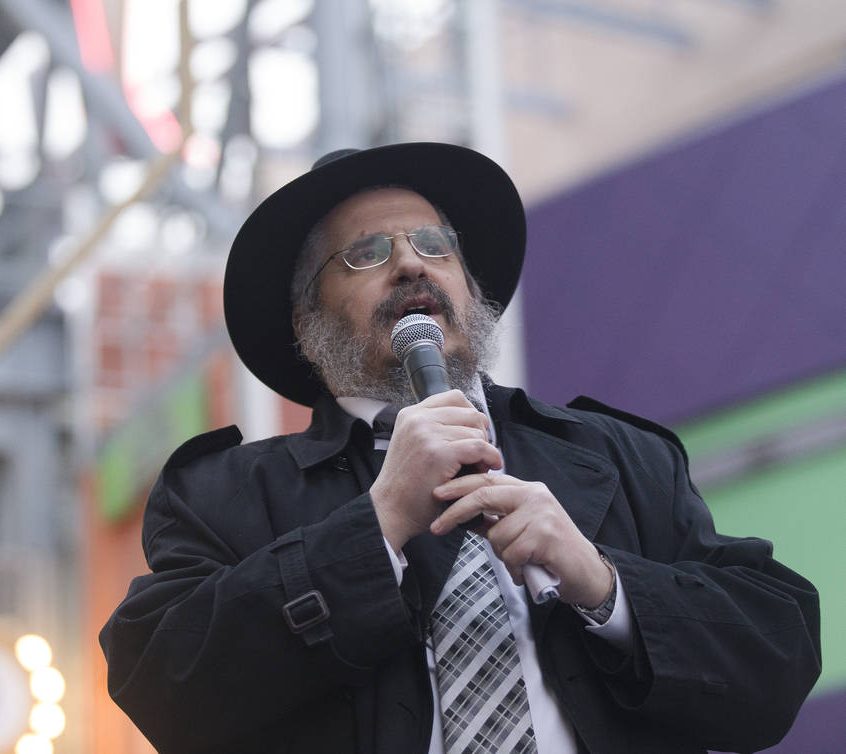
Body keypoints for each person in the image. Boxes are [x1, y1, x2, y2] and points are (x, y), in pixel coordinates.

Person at [99, 142, 820, 754]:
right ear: (306, 320)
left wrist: (602, 582)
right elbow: (166, 686)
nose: (411, 264)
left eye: (434, 244)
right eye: (367, 253)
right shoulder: (223, 495)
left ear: (468, 286)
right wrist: (375, 527)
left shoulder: (619, 457)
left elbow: (778, 655)